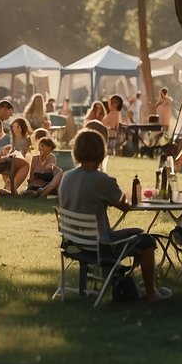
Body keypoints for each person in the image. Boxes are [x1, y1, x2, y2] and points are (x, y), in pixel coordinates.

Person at [58, 129, 170, 301]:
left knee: (138, 232)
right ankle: (149, 293)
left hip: (73, 244)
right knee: (147, 240)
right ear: (101, 152)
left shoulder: (67, 177)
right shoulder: (102, 180)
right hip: (99, 247)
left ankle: (122, 281)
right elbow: (125, 206)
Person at [23, 133, 63, 198]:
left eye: (42, 146)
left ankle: (40, 193)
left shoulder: (52, 157)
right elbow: (31, 176)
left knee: (59, 171)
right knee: (31, 187)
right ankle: (36, 193)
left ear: (49, 148)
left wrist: (39, 175)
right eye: (39, 146)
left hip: (47, 185)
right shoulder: (35, 158)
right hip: (35, 185)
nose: (39, 148)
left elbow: (51, 173)